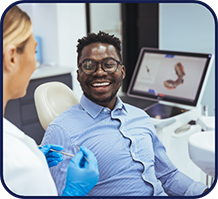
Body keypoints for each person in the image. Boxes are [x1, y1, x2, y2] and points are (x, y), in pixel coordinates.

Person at [41, 31, 208, 196]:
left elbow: (167, 176)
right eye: (89, 65)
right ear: (79, 75)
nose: (100, 72)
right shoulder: (61, 131)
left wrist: (204, 191)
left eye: (109, 64)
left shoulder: (140, 117)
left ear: (122, 71)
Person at [3, 5, 99, 196]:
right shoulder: (20, 163)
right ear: (12, 57)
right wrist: (73, 192)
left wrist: (35, 156)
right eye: (34, 51)